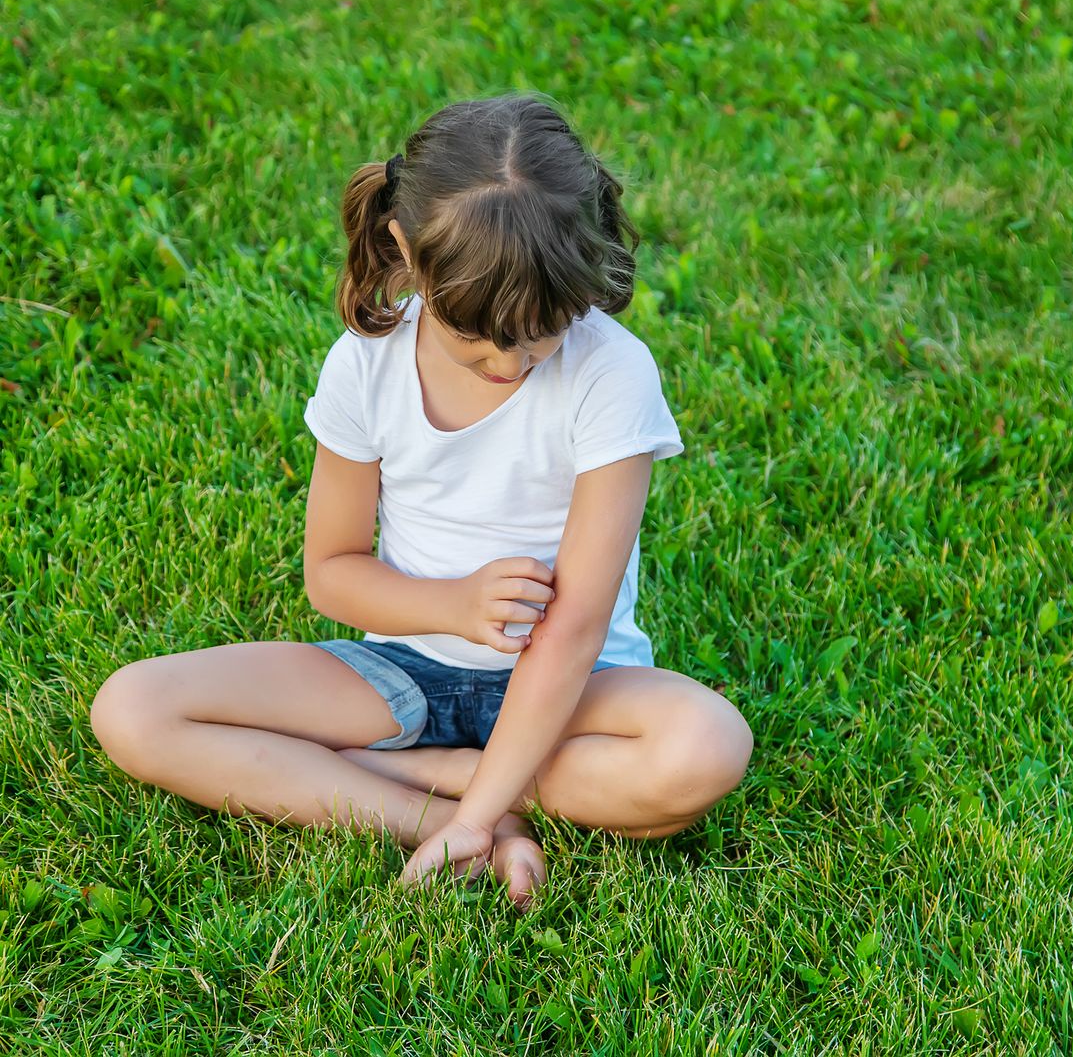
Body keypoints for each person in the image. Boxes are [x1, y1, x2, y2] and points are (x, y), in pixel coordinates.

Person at [90, 93, 754, 910]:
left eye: (538, 334)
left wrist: (475, 809)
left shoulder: (611, 373)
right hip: (403, 669)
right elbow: (332, 573)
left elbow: (574, 626)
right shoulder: (366, 365)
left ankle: (423, 782)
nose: (509, 365)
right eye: (474, 336)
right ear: (406, 249)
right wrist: (451, 605)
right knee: (134, 708)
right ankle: (425, 812)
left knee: (705, 747)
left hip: (573, 689)